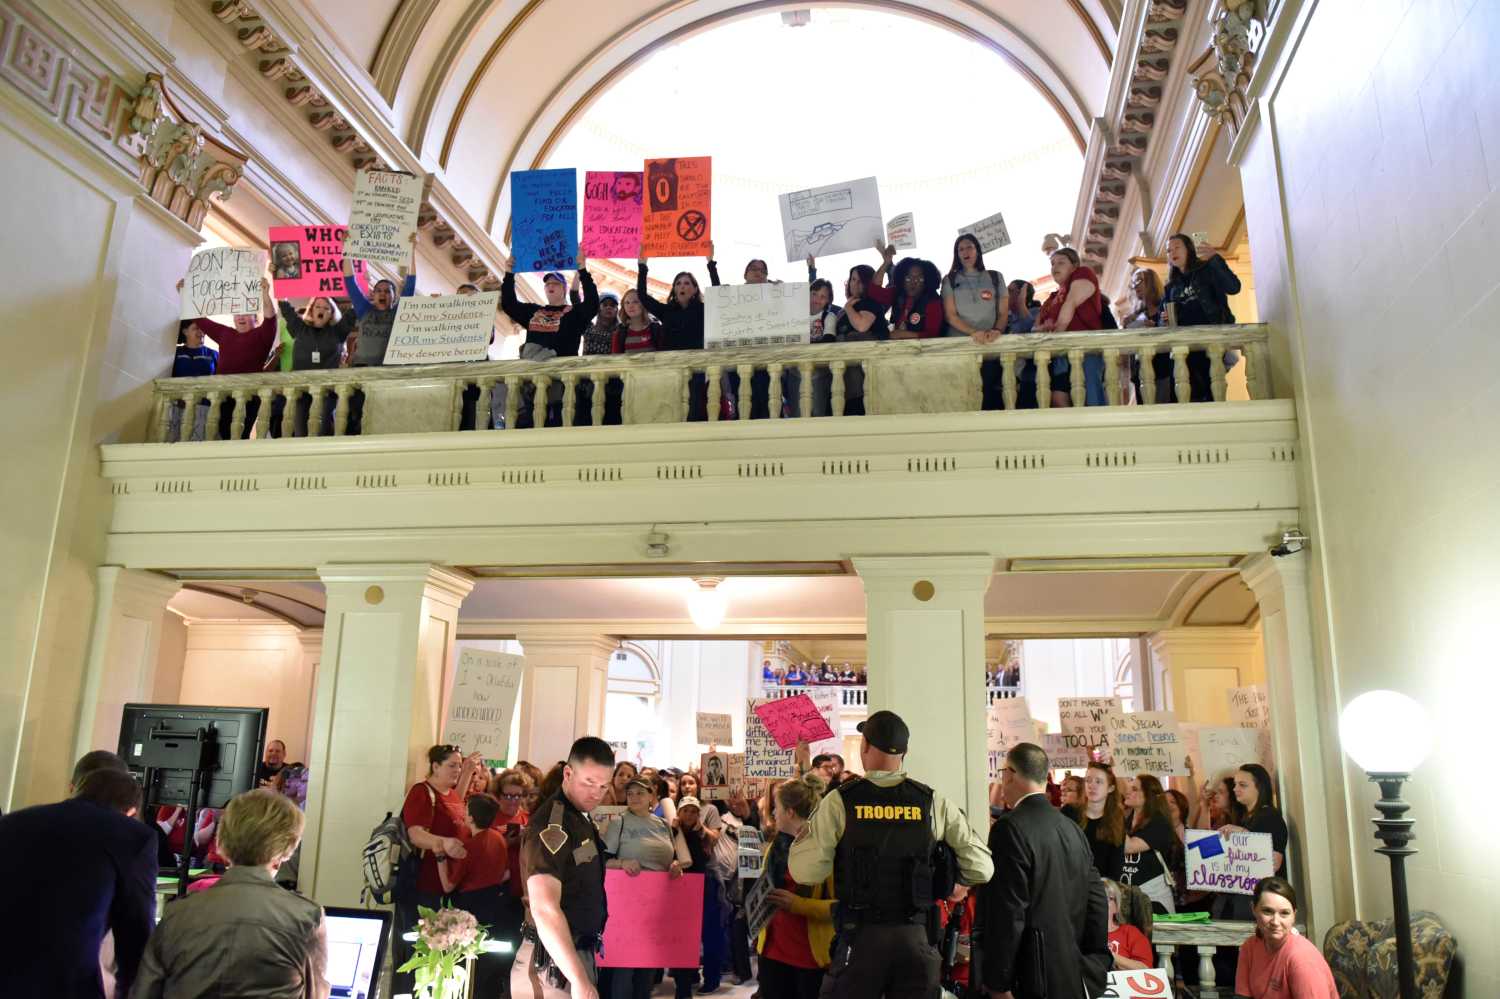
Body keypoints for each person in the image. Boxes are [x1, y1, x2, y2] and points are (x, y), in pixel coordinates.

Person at [788, 710, 993, 999]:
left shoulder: (840, 801)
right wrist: (951, 883)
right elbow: (982, 869)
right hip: (917, 941)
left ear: (865, 747)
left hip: (860, 942)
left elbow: (806, 873)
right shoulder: (932, 801)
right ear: (905, 753)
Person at [131, 789, 328, 999]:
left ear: (222, 843)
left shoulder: (177, 913)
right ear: (287, 850)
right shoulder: (306, 918)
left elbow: (145, 991)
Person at [0, 762, 156, 999]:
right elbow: (136, 930)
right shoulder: (132, 836)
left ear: (77, 790)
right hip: (65, 981)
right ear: (131, 811)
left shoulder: (13, 822)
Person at [979, 742, 1110, 999]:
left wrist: (998, 982)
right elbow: (1097, 901)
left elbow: (1008, 910)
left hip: (1029, 975)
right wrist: (1095, 962)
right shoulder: (1072, 829)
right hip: (1073, 971)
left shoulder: (1009, 828)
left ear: (1010, 774)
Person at [520, 736, 615, 999]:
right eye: (589, 783)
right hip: (554, 960)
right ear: (568, 773)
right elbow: (545, 908)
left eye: (604, 786)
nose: (596, 792)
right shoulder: (554, 825)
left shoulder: (579, 820)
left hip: (572, 953)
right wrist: (578, 978)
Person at [392, 745, 482, 996]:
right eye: (452, 765)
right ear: (435, 766)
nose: (457, 769)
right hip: (421, 888)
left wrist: (467, 772)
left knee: (439, 958)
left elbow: (453, 805)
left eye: (459, 764)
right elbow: (416, 833)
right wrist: (442, 844)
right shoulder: (421, 793)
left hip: (446, 889)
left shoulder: (450, 794)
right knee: (416, 956)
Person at [600, 776, 683, 999]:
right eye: (630, 794)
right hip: (627, 905)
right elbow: (602, 861)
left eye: (640, 792)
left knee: (648, 965)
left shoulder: (664, 825)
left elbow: (673, 858)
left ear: (651, 796)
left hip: (656, 904)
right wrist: (622, 863)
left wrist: (675, 866)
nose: (634, 797)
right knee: (625, 966)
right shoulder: (620, 822)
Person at [500, 250, 600, 428]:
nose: (550, 285)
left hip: (561, 381)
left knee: (559, 422)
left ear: (564, 289)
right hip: (533, 380)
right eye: (547, 284)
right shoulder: (534, 311)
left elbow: (592, 304)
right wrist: (509, 274)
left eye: (555, 283)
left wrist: (583, 270)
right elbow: (508, 304)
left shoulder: (574, 313)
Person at [756, 774, 835, 999]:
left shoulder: (827, 852)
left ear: (790, 812)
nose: (773, 813)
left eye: (777, 807)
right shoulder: (776, 846)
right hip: (771, 952)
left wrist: (799, 905)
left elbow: (841, 907)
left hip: (810, 958)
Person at [175, 275, 280, 437]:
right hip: (221, 395)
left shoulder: (263, 335)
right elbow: (200, 319)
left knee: (239, 436)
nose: (240, 317)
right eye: (237, 314)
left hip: (248, 397)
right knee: (220, 436)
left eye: (246, 313)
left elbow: (270, 316)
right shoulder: (225, 333)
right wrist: (184, 293)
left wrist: (265, 293)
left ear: (255, 318)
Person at [440, 793, 522, 999]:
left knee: (469, 961)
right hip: (497, 902)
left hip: (472, 906)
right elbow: (506, 872)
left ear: (471, 817)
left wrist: (439, 857)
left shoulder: (470, 846)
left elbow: (448, 885)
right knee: (489, 963)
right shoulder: (498, 839)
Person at [1161, 232, 1242, 402]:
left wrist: (1215, 259)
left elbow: (1234, 287)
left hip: (1211, 339)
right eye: (1168, 251)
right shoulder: (1171, 287)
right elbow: (1166, 320)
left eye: (1177, 247)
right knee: (1188, 392)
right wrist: (1165, 319)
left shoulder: (1206, 270)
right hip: (1187, 346)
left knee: (1211, 389)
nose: (1172, 252)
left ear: (1189, 249)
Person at [1235, 877, 1339, 999]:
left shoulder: (1302, 960)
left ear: (1294, 915)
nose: (1275, 921)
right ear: (1254, 909)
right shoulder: (1250, 946)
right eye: (1267, 911)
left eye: (1284, 913)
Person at [671, 795, 730, 997]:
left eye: (693, 811)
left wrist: (698, 831)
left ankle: (712, 978)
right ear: (678, 813)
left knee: (710, 934)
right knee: (683, 937)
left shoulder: (703, 835)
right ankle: (685, 983)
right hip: (679, 890)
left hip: (705, 888)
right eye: (685, 810)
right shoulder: (671, 832)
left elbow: (701, 858)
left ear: (699, 814)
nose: (689, 815)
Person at [1035, 246, 1106, 407]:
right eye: (1052, 264)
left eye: (1061, 262)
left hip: (1086, 347)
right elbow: (1035, 327)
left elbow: (1071, 303)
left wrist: (1056, 331)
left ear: (1074, 265)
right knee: (1058, 397)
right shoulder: (1051, 298)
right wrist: (1044, 329)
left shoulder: (1082, 273)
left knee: (1091, 394)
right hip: (1061, 354)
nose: (1055, 267)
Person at [1218, 764, 1288, 920]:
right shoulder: (1245, 818)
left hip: (1259, 902)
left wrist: (1244, 834)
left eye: (1242, 785)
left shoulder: (1269, 817)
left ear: (1259, 787)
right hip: (1241, 898)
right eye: (1235, 784)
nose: (1235, 789)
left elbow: (1274, 863)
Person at [1120, 775, 1178, 913]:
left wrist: (1112, 813)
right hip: (1129, 896)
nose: (1127, 792)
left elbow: (1129, 847)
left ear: (1148, 796)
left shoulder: (1159, 823)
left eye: (1134, 789)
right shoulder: (1127, 821)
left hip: (1153, 899)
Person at [1075, 761, 1126, 880]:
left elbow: (1116, 867)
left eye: (1098, 781)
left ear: (1111, 788)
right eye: (1088, 780)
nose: (1091, 785)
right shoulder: (1070, 813)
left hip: (1101, 889)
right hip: (1070, 886)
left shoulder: (1116, 820)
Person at [1104, 880, 1154, 971]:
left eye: (1106, 899)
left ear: (1116, 905)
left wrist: (1109, 955)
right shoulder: (1081, 932)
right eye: (1096, 899)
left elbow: (1145, 968)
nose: (1100, 903)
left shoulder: (1130, 933)